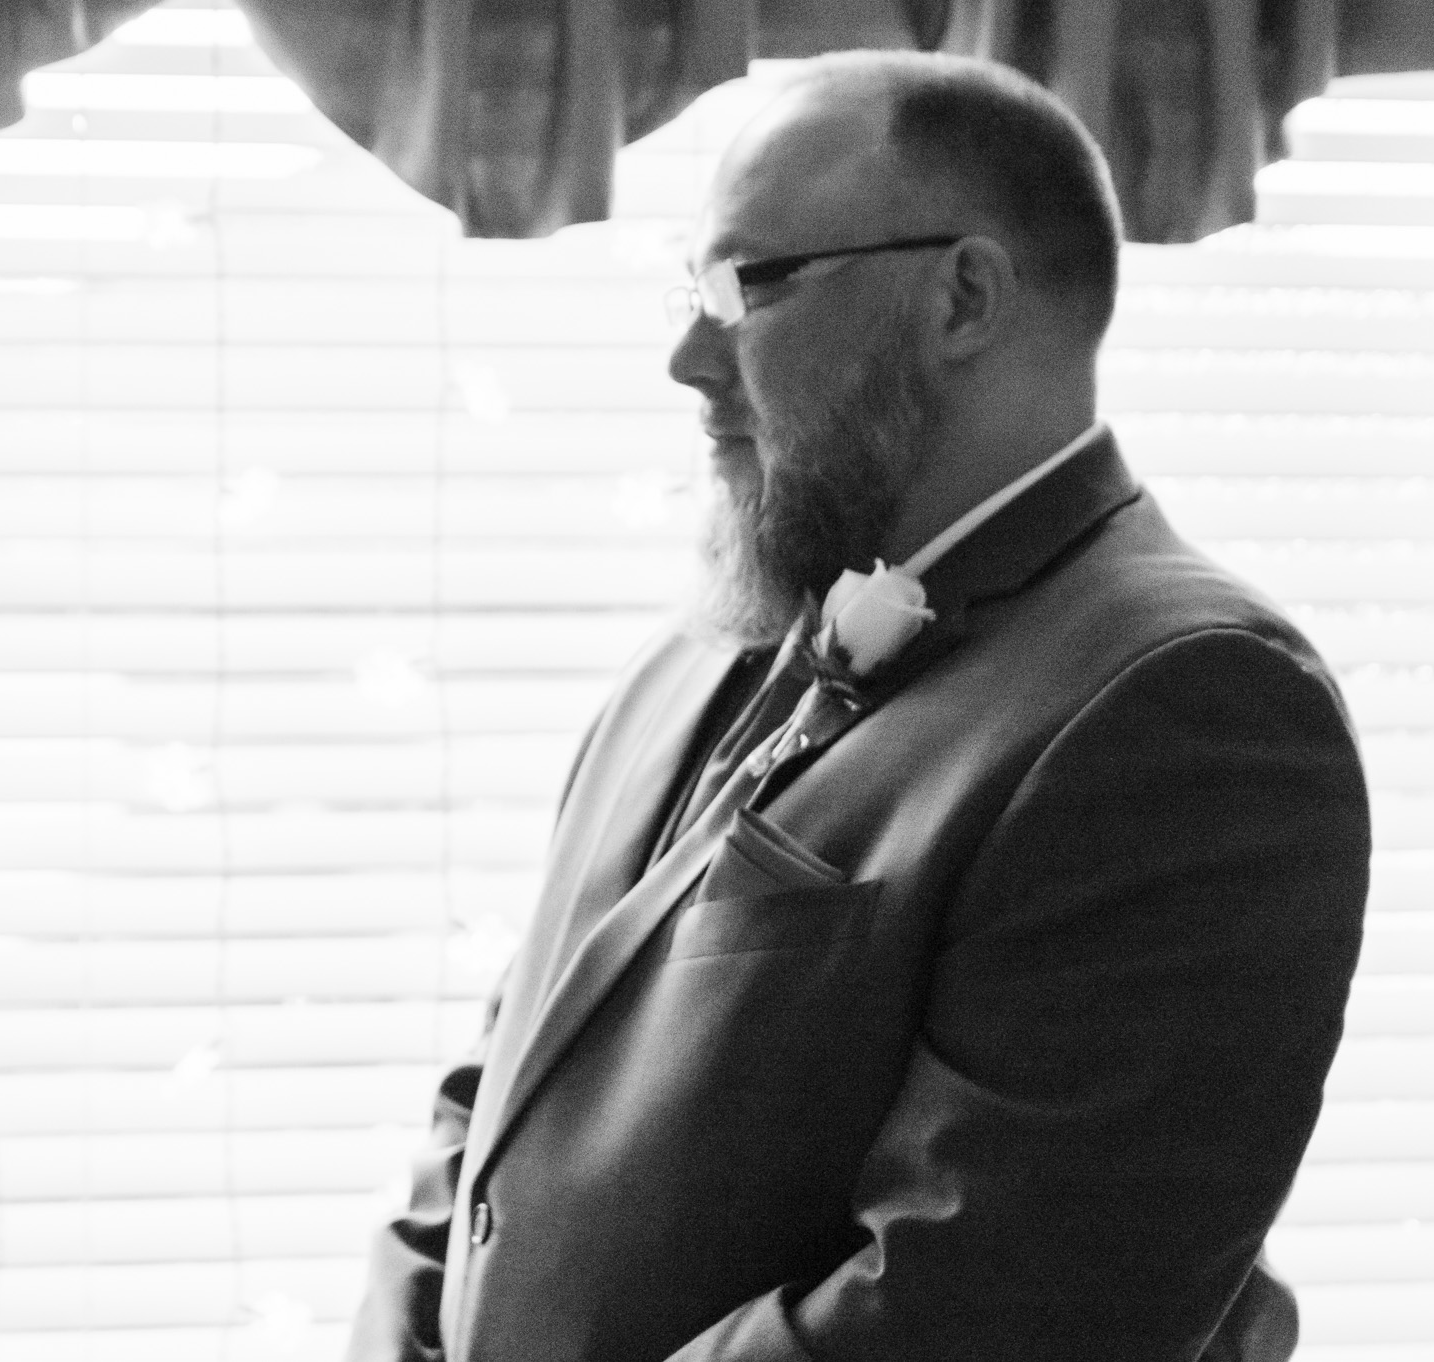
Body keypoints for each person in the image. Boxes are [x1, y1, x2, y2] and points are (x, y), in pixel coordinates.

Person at [348, 49, 1367, 1362]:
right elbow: (502, 1092)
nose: (686, 355)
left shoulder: (1194, 706)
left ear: (965, 296)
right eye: (692, 287)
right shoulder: (702, 645)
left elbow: (984, 1308)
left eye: (752, 284)